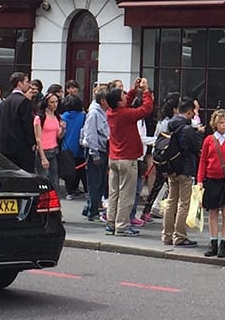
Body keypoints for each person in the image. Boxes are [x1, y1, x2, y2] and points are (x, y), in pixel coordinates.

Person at [105, 78, 153, 237]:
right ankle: (122, 226)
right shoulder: (125, 114)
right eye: (123, 95)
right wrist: (145, 91)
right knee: (126, 194)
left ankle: (111, 223)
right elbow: (146, 109)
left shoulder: (111, 112)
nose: (126, 96)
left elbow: (125, 103)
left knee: (114, 193)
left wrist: (133, 90)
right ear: (119, 101)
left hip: (114, 157)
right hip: (127, 158)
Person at [197, 109, 225, 258]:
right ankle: (213, 242)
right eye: (221, 123)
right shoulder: (209, 140)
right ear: (215, 124)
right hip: (211, 179)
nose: (224, 125)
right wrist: (199, 180)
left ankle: (223, 243)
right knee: (213, 212)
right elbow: (203, 161)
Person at [160, 98, 202, 247]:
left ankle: (167, 235)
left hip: (171, 168)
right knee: (183, 203)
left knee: (171, 201)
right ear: (190, 111)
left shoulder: (169, 125)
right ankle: (180, 236)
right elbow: (196, 146)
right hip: (184, 168)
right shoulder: (187, 129)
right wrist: (198, 131)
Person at [0, 72, 37, 173]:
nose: (29, 85)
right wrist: (32, 142)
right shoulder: (24, 102)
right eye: (27, 82)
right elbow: (27, 125)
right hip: (21, 148)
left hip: (5, 147)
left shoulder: (3, 103)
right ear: (20, 83)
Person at [81, 85, 110, 223]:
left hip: (104, 150)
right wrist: (94, 154)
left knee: (101, 183)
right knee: (95, 183)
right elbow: (91, 134)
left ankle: (90, 207)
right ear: (103, 100)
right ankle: (93, 212)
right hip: (96, 151)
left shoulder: (104, 112)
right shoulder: (94, 114)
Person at [34, 93, 65, 193]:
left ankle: (54, 203)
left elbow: (58, 136)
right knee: (43, 181)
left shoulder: (57, 116)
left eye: (56, 102)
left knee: (55, 181)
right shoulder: (39, 118)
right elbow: (38, 138)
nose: (55, 104)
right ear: (46, 103)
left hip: (54, 150)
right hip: (43, 151)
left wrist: (63, 129)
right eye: (52, 102)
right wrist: (43, 157)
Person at [60, 90, 86, 200]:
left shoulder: (64, 116)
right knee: (82, 170)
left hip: (66, 147)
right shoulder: (82, 116)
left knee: (69, 171)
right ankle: (86, 190)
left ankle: (70, 191)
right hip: (79, 147)